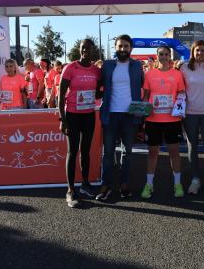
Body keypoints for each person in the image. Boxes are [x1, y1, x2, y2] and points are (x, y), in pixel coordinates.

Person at [97, 35, 144, 201]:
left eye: (126, 46)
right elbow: (99, 84)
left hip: (130, 115)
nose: (122, 49)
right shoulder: (108, 65)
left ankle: (124, 184)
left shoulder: (137, 66)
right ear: (115, 47)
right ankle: (106, 184)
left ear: (131, 48)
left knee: (127, 153)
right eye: (119, 46)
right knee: (108, 153)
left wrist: (141, 110)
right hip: (111, 114)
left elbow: (142, 86)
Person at [59, 39, 102, 208]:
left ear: (93, 52)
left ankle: (85, 183)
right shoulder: (70, 68)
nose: (85, 50)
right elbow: (60, 96)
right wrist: (62, 119)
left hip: (89, 115)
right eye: (83, 48)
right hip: (72, 116)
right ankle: (70, 190)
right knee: (72, 151)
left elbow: (98, 93)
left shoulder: (96, 71)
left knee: (86, 151)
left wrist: (101, 92)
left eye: (89, 49)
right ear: (79, 50)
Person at [140, 46, 186, 199]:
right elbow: (146, 95)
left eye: (166, 54)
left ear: (170, 56)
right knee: (153, 153)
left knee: (174, 152)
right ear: (157, 56)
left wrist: (179, 108)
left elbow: (181, 93)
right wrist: (146, 109)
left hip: (172, 119)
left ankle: (177, 184)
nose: (164, 57)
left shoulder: (177, 74)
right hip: (154, 119)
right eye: (161, 54)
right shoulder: (150, 74)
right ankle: (149, 184)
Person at [180, 40, 204, 195]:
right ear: (193, 51)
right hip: (190, 113)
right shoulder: (184, 68)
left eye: (203, 50)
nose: (200, 53)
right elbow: (180, 89)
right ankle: (195, 180)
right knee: (192, 147)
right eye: (197, 50)